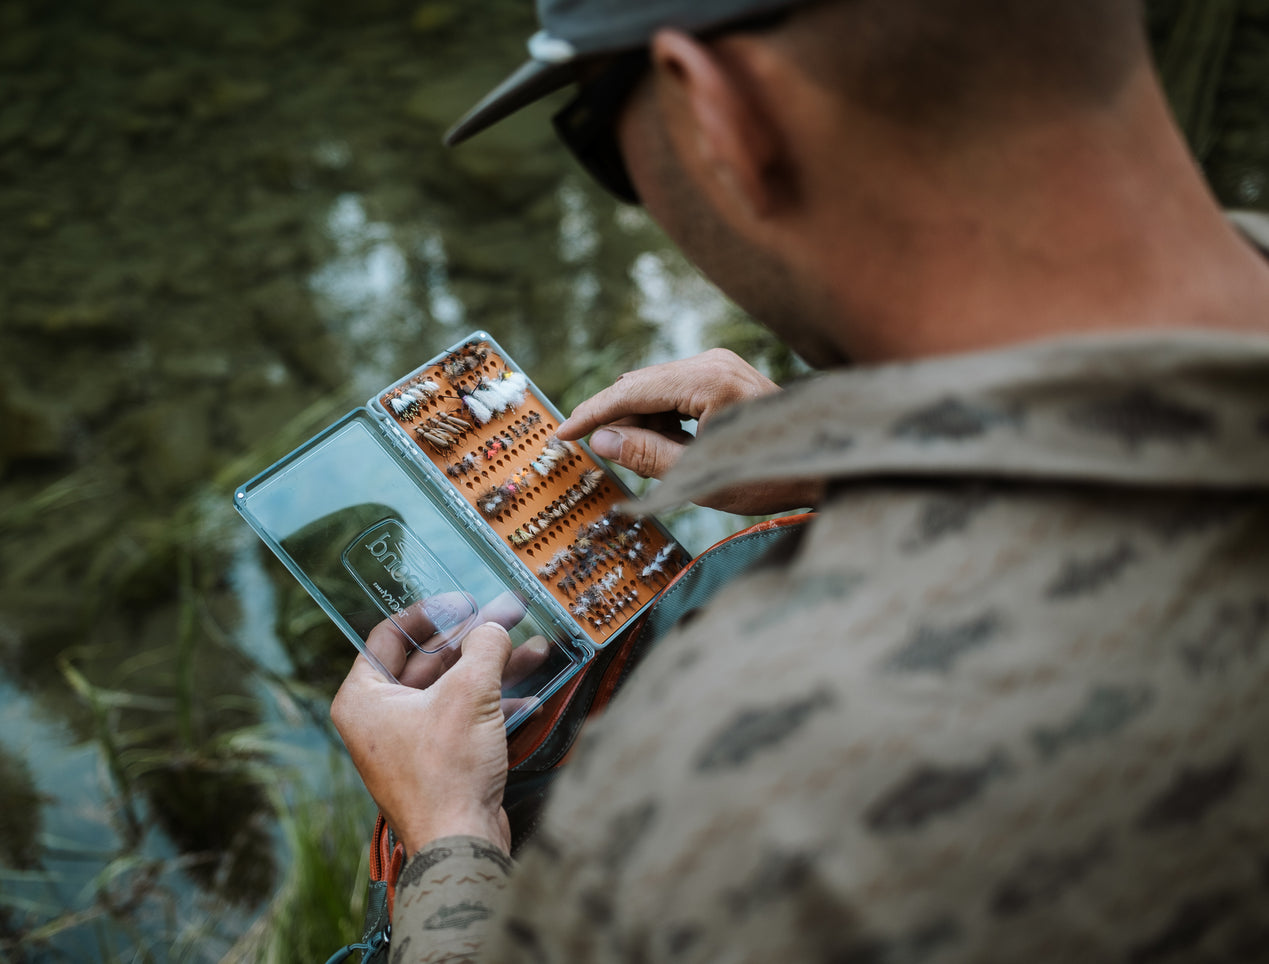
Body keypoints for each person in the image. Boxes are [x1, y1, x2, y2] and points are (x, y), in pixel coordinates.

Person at [330, 0, 1269, 959]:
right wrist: (857, 459)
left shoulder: (769, 809)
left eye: (598, 133)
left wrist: (447, 834)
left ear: (719, 112)